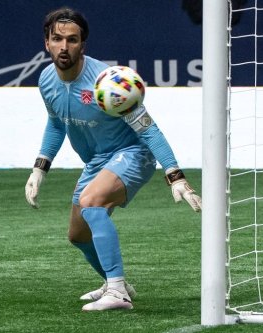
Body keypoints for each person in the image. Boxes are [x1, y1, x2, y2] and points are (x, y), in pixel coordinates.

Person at [24, 7, 202, 311]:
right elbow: (56, 123)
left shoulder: (108, 81)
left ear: (83, 45)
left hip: (132, 154)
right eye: (57, 39)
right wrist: (40, 169)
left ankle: (117, 292)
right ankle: (113, 282)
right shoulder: (46, 81)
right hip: (97, 161)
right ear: (47, 42)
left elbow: (148, 128)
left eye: (72, 39)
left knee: (93, 202)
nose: (64, 47)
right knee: (78, 234)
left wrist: (175, 175)